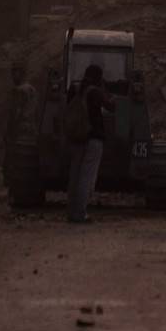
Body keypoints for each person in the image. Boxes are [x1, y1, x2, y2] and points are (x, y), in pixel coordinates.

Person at [67, 64, 112, 224]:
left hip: (77, 137)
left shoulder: (75, 88)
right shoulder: (95, 91)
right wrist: (105, 90)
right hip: (93, 139)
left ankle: (72, 212)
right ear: (98, 77)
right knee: (86, 178)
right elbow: (111, 107)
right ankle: (80, 213)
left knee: (75, 175)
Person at [7, 63, 39, 146]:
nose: (12, 77)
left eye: (14, 73)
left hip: (20, 132)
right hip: (32, 131)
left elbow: (15, 113)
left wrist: (9, 132)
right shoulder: (32, 89)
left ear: (21, 74)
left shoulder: (18, 90)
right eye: (12, 73)